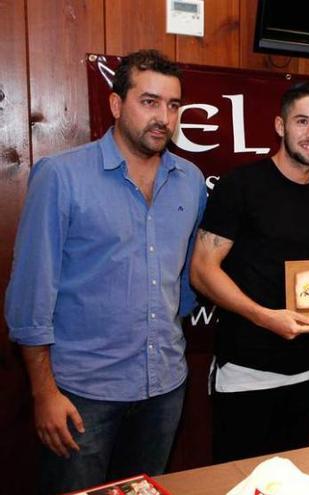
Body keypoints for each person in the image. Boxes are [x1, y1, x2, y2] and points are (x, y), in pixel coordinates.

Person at [5, 49, 205, 494]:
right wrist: (43, 392)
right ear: (117, 105)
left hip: (165, 389)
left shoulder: (190, 180)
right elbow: (30, 296)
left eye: (173, 106)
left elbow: (184, 280)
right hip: (81, 397)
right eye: (149, 102)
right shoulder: (61, 176)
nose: (164, 118)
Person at [189, 82, 309, 462]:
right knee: (240, 482)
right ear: (280, 125)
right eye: (302, 121)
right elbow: (201, 270)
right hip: (246, 371)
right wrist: (265, 318)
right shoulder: (239, 186)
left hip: (307, 371)